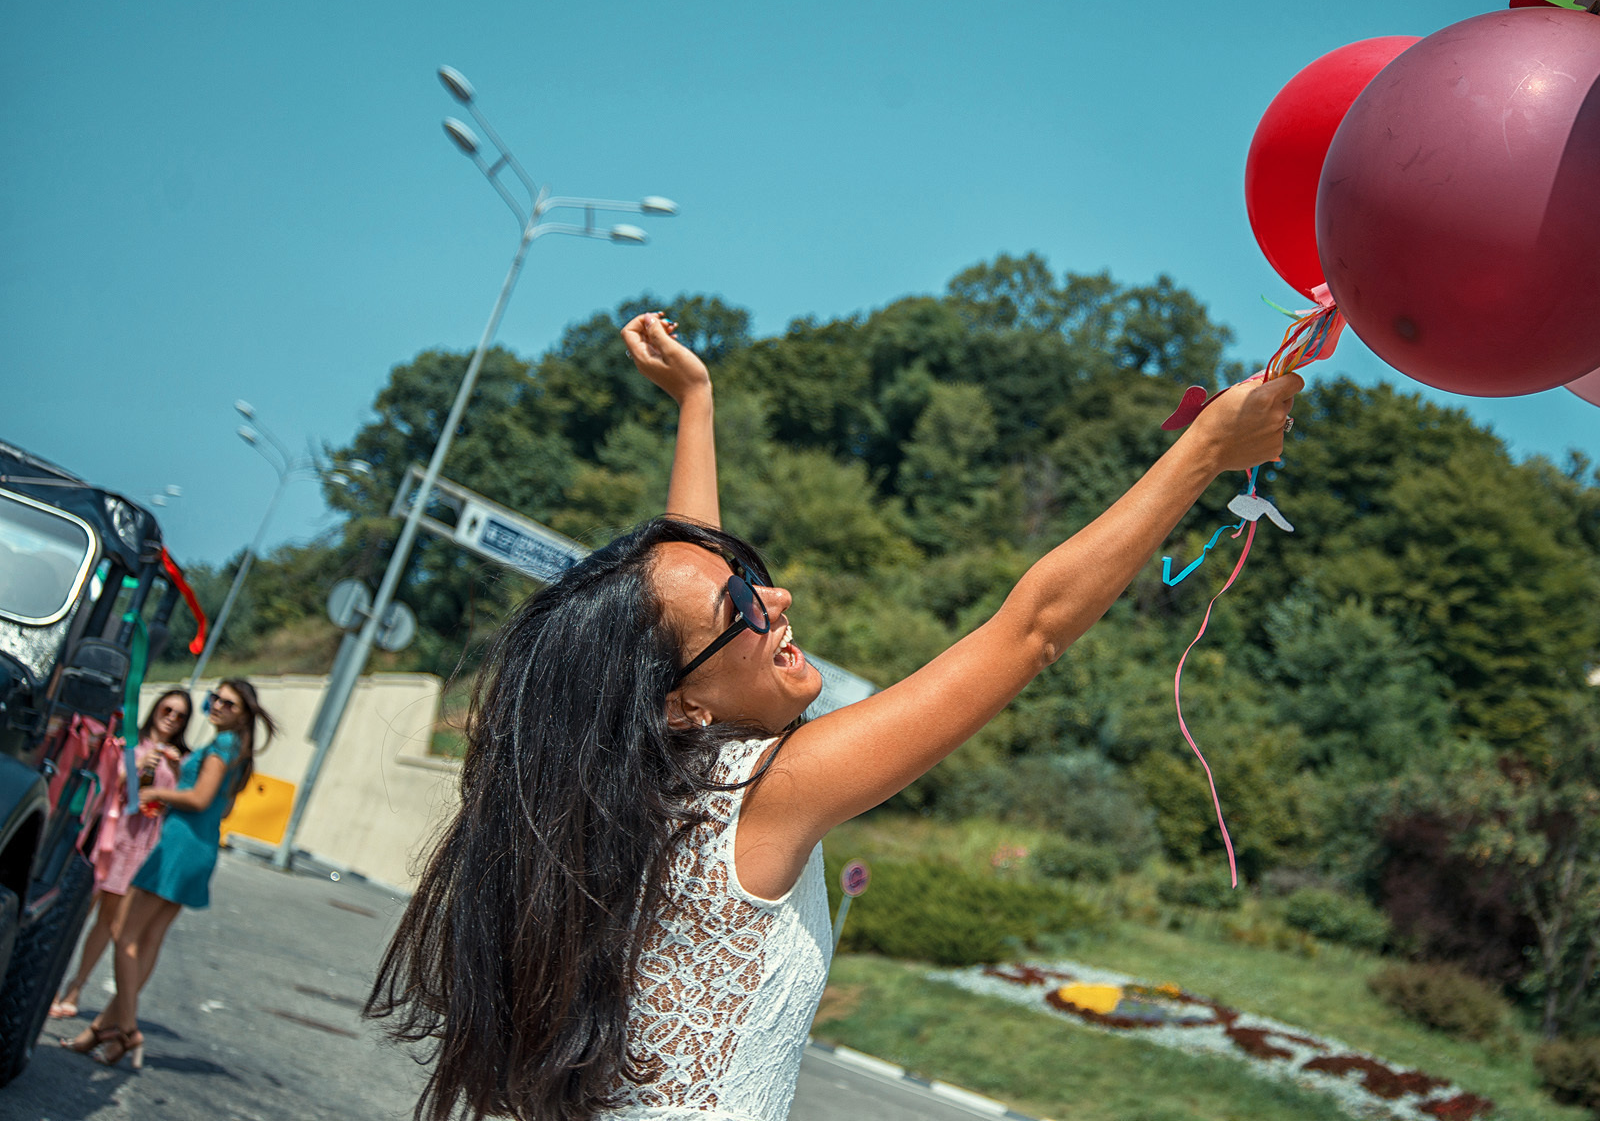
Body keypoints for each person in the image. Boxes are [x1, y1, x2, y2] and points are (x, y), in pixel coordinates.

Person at [369, 312, 1300, 1121]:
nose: (773, 596)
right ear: (680, 704)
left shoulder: (638, 789)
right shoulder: (763, 792)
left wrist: (697, 406)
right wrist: (1206, 451)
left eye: (749, 578)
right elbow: (1033, 631)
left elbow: (683, 611)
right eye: (744, 607)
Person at [64, 677, 275, 1068]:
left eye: (228, 704)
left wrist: (158, 792)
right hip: (200, 846)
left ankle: (126, 1030)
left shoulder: (223, 746)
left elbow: (199, 799)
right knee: (148, 940)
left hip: (180, 845)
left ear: (242, 713)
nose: (216, 706)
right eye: (215, 698)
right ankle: (100, 1030)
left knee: (125, 935)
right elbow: (221, 808)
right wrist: (182, 773)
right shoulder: (236, 750)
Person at [48, 688, 192, 1020]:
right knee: (76, 909)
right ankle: (50, 979)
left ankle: (75, 987)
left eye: (180, 715)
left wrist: (174, 771)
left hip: (141, 841)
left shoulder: (181, 757)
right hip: (111, 832)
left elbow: (182, 800)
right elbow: (111, 781)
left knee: (109, 920)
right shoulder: (130, 742)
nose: (171, 718)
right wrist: (140, 763)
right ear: (156, 709)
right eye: (167, 709)